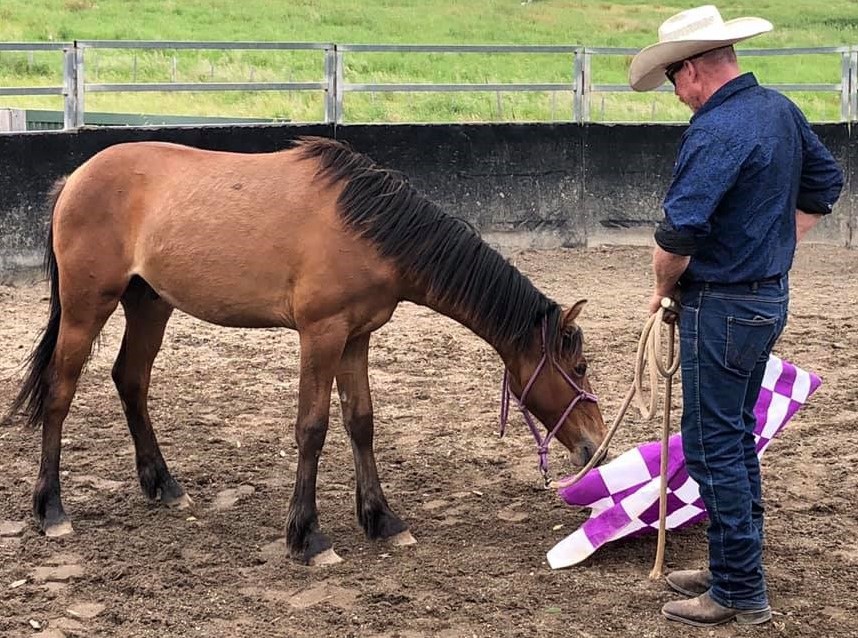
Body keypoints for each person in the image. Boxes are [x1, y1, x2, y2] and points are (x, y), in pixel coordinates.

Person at [628, 5, 844, 628]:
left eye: (674, 81)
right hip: (764, 298)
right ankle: (733, 566)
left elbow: (678, 235)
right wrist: (774, 245)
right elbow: (824, 183)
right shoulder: (778, 109)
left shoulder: (714, 130)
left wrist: (660, 291)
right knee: (734, 437)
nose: (676, 95)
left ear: (693, 70)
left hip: (721, 307)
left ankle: (741, 589)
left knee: (712, 444)